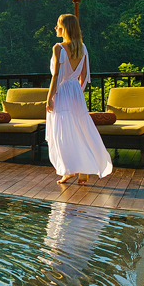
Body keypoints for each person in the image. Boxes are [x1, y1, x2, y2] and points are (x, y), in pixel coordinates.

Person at [45, 13, 112, 186]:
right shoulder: (82, 47)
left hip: (62, 91)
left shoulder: (58, 47)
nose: (55, 27)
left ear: (64, 28)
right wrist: (77, 92)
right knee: (80, 130)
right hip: (75, 91)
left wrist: (50, 97)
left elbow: (56, 76)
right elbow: (84, 76)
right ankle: (81, 171)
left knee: (62, 133)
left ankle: (69, 170)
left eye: (57, 24)